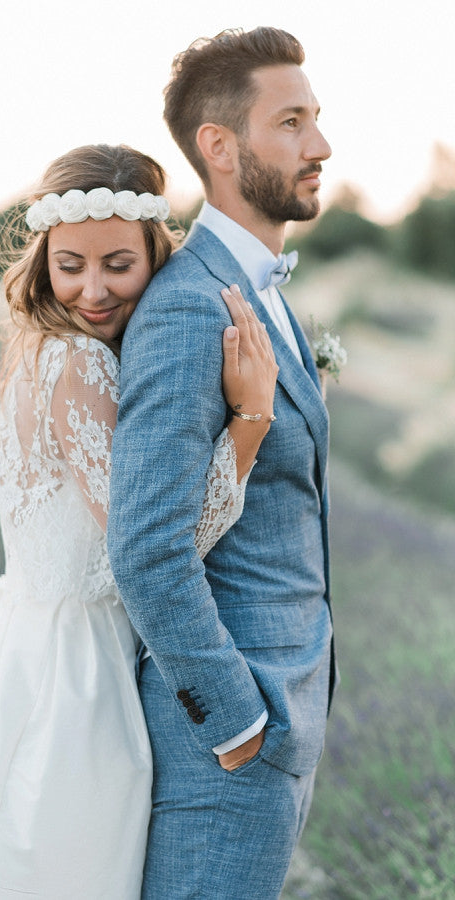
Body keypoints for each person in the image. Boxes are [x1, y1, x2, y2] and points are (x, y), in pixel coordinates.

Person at [0, 144, 278, 898]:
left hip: (27, 630)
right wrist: (248, 420)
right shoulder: (81, 362)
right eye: (71, 265)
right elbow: (146, 541)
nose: (93, 288)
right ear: (43, 261)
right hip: (67, 674)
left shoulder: (42, 351)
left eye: (118, 264)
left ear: (157, 254)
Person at [108, 28, 337, 900]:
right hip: (232, 741)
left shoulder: (261, 293)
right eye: (290, 122)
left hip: (287, 711)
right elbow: (146, 545)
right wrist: (237, 718)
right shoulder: (187, 311)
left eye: (315, 120)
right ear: (220, 145)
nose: (318, 145)